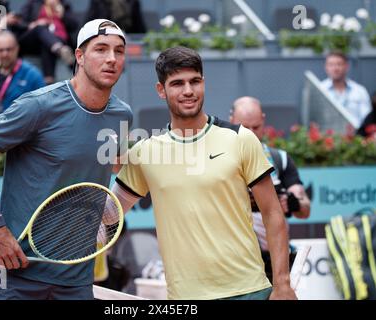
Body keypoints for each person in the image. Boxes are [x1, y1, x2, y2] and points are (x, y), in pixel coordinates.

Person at [0, 19, 133, 300]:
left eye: (119, 51)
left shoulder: (122, 115)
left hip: (75, 280)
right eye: (101, 49)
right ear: (80, 56)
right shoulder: (38, 105)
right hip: (13, 275)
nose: (111, 58)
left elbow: (102, 168)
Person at [107, 46, 296, 300]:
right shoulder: (145, 152)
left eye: (194, 81)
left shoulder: (240, 139)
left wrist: (282, 284)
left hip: (250, 290)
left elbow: (273, 214)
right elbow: (109, 216)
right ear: (161, 90)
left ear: (203, 83)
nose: (188, 91)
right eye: (177, 84)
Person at [229, 96, 311, 282]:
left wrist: (294, 203)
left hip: (276, 262)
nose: (250, 133)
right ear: (231, 119)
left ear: (263, 120)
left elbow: (305, 210)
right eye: (244, 127)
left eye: (256, 127)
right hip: (236, 262)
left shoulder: (280, 158)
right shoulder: (219, 160)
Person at [0, 30, 46, 122]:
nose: (5, 54)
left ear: (17, 48)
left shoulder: (32, 75)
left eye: (9, 49)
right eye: (0, 50)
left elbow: (44, 112)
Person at [17, 0, 79, 84]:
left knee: (48, 44)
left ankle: (49, 80)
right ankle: (65, 55)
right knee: (41, 29)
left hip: (57, 39)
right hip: (35, 38)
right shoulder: (33, 3)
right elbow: (19, 22)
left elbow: (74, 25)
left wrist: (63, 15)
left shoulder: (64, 5)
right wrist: (33, 24)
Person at [320, 51, 372, 127]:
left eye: (339, 64)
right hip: (327, 137)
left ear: (346, 66)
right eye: (331, 65)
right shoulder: (320, 90)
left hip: (356, 137)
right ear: (326, 67)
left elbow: (366, 118)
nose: (335, 68)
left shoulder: (359, 91)